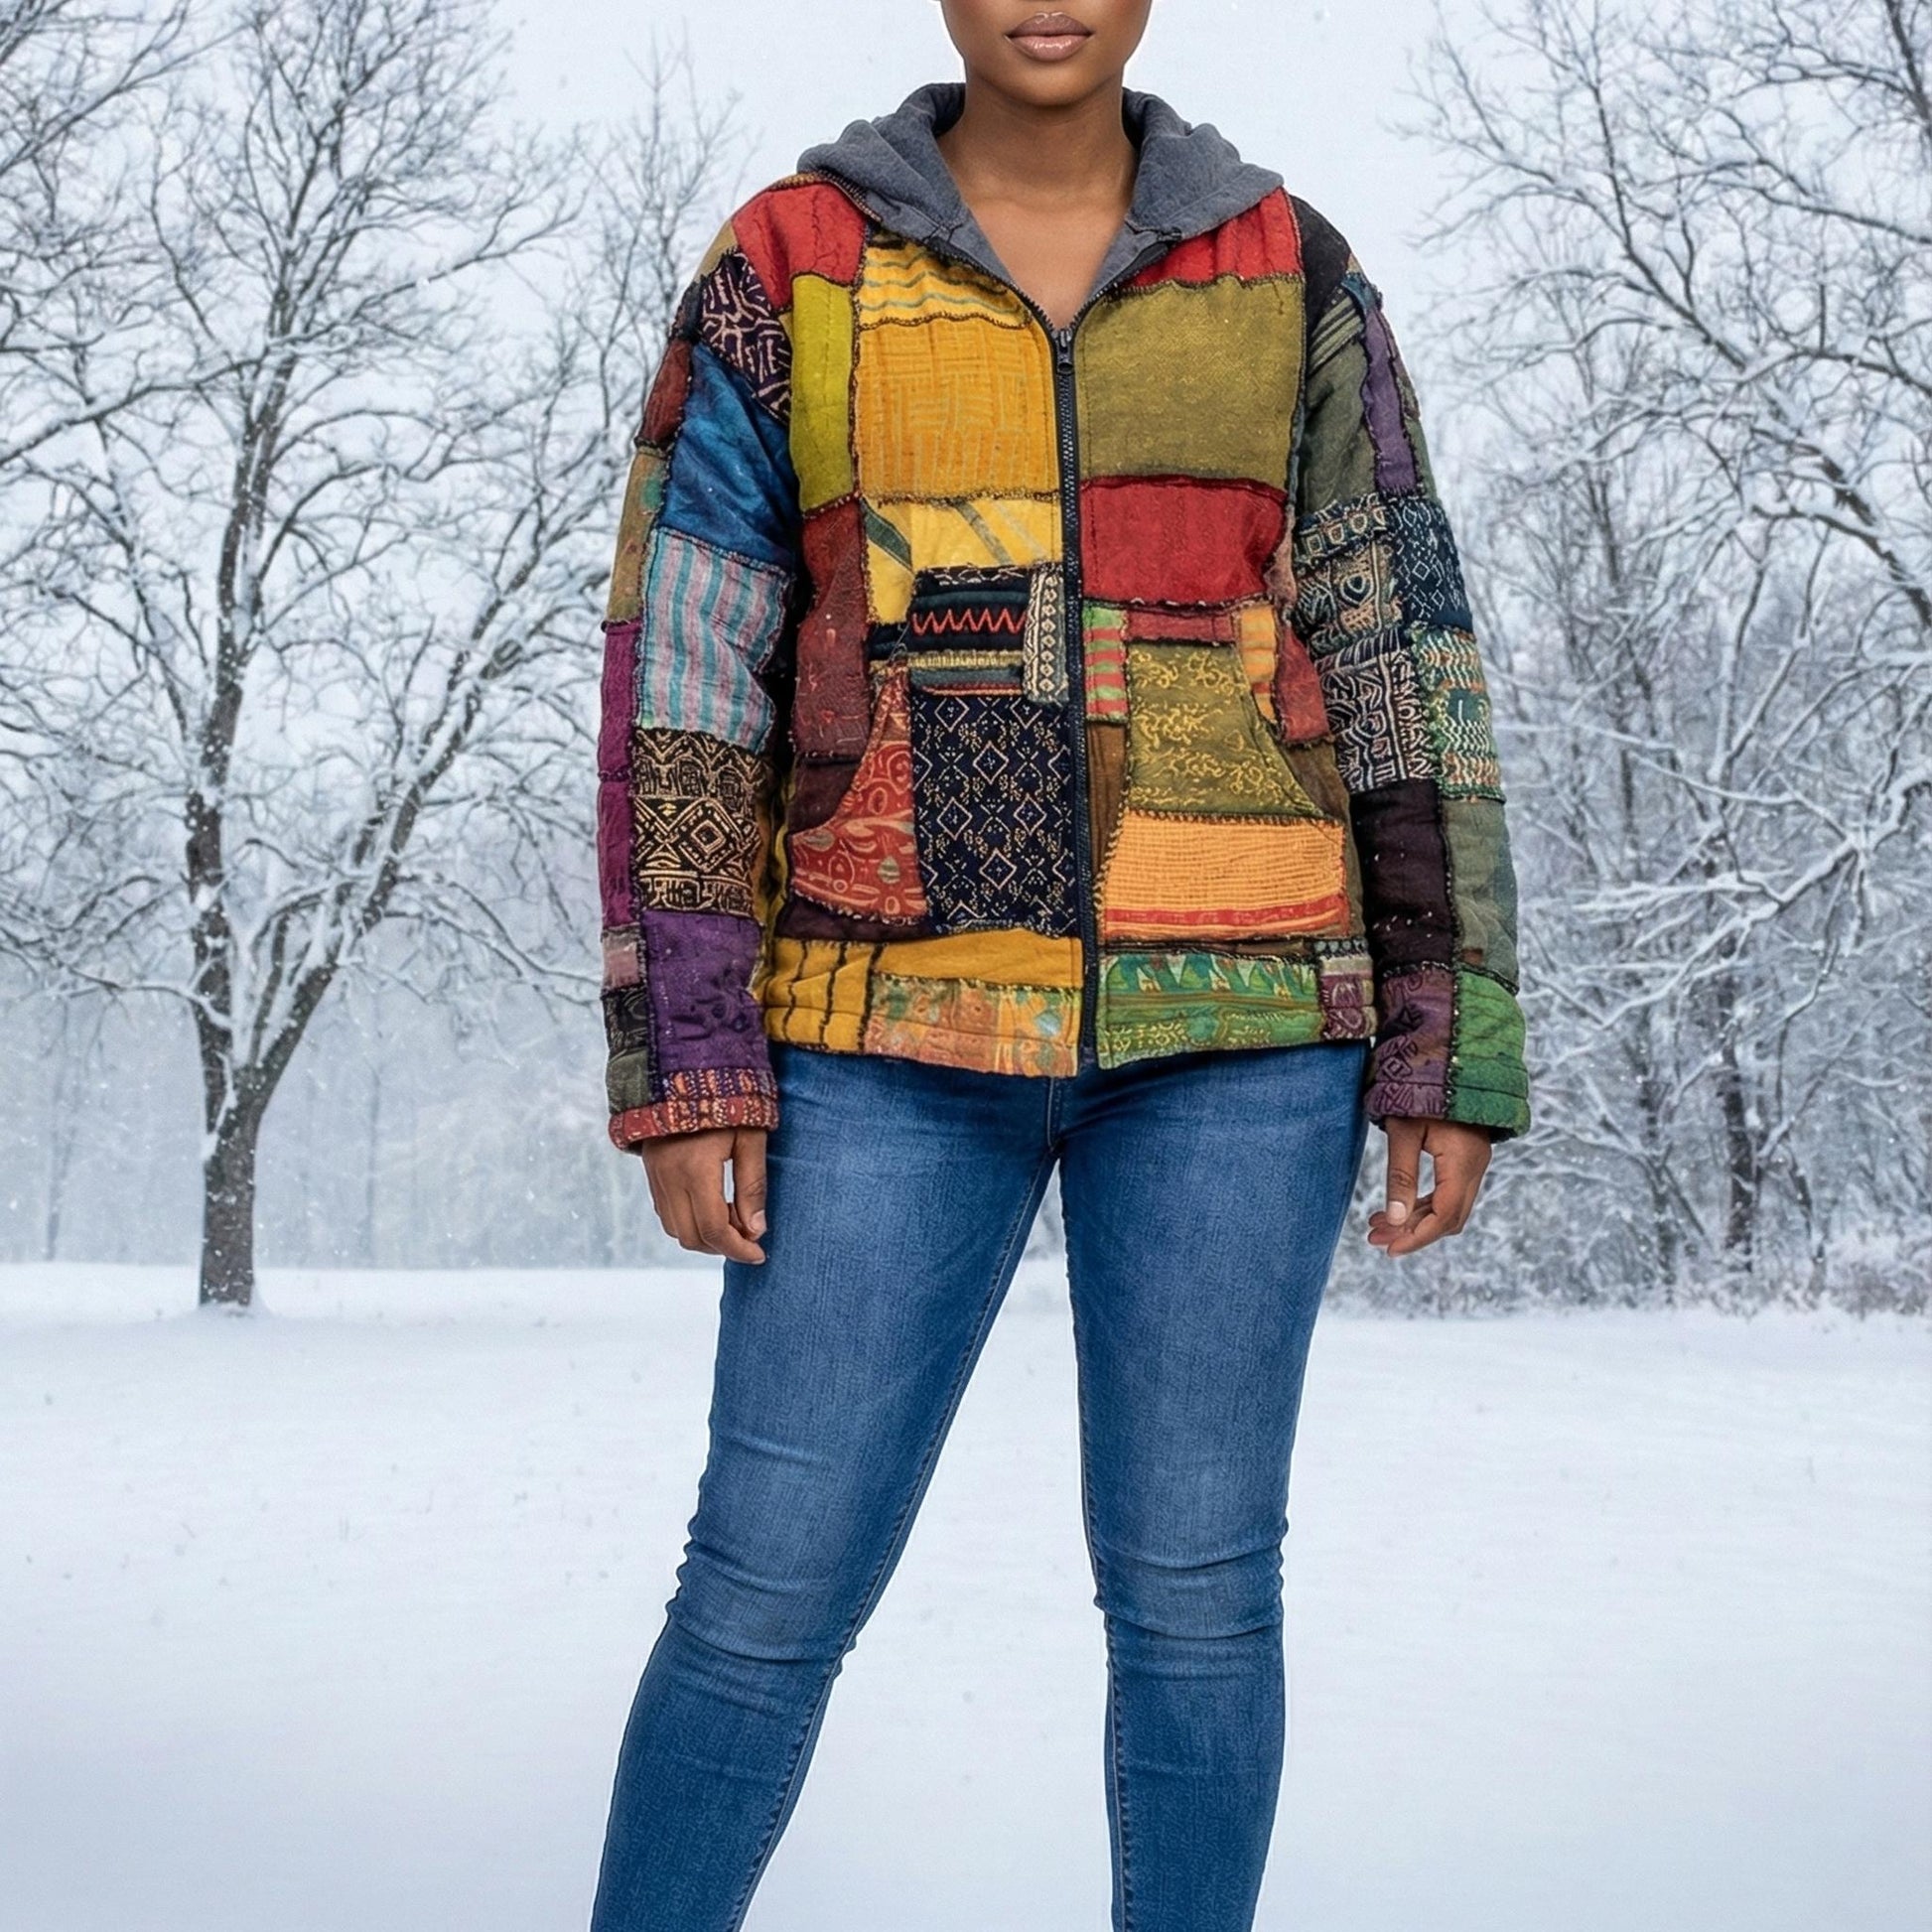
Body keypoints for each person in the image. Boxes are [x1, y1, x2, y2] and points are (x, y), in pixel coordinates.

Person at [588, 2, 1529, 1926]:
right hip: (876, 1028)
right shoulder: (792, 261)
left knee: (1199, 1599)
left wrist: (1444, 1033)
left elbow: (1399, 649)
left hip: (1241, 1033)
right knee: (761, 1589)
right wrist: (688, 1053)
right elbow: (683, 663)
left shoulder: (1286, 268)